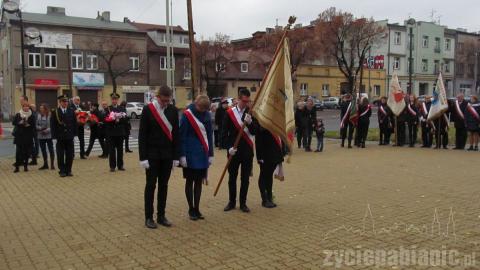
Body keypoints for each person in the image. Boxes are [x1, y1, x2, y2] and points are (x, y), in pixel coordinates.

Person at [139, 86, 180, 229]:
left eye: (168, 101)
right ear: (158, 97)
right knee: (151, 186)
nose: (166, 103)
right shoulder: (148, 110)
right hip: (151, 155)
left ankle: (161, 215)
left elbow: (176, 135)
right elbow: (142, 135)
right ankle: (149, 217)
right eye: (164, 100)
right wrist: (142, 157)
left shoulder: (173, 111)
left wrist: (176, 157)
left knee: (164, 186)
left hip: (167, 155)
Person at [221, 88, 257, 213]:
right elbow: (223, 134)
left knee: (245, 178)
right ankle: (231, 202)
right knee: (232, 177)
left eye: (248, 101)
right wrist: (228, 147)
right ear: (238, 99)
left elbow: (256, 131)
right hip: (234, 150)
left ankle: (243, 203)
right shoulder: (229, 113)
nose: (246, 103)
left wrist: (250, 123)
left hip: (247, 150)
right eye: (244, 101)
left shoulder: (251, 112)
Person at [179, 95, 214, 220]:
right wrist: (182, 155)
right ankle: (191, 209)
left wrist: (211, 154)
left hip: (202, 153)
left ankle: (197, 209)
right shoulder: (187, 115)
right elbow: (181, 136)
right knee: (190, 181)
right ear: (196, 103)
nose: (201, 110)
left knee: (199, 182)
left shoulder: (207, 115)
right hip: (189, 153)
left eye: (204, 109)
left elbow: (210, 135)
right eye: (200, 108)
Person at [256, 126, 285, 208]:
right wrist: (259, 156)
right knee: (263, 175)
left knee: (269, 175)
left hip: (274, 150)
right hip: (264, 151)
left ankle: (269, 197)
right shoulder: (260, 116)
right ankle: (264, 199)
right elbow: (258, 135)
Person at [51, 94, 77, 177]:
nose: (65, 103)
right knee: (60, 154)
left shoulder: (71, 111)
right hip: (60, 137)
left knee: (70, 154)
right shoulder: (55, 112)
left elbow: (74, 123)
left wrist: (75, 135)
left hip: (69, 136)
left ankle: (68, 170)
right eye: (63, 101)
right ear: (60, 102)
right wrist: (54, 137)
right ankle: (62, 170)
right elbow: (53, 125)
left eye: (66, 101)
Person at [105, 93, 128, 172]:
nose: (114, 100)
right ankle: (112, 166)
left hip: (120, 132)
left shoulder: (122, 108)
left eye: (115, 99)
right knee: (112, 150)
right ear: (111, 100)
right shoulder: (108, 109)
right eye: (113, 99)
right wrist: (113, 120)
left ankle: (120, 165)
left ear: (118, 100)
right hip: (111, 133)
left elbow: (125, 120)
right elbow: (106, 120)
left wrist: (119, 120)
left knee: (120, 150)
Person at [12, 103, 35, 172]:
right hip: (19, 136)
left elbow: (33, 124)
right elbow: (14, 122)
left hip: (28, 135)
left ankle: (25, 166)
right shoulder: (18, 114)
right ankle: (17, 167)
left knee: (26, 152)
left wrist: (28, 124)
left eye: (27, 107)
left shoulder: (31, 115)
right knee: (18, 152)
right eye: (25, 107)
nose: (26, 108)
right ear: (22, 107)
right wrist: (20, 122)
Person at [36, 104, 55, 170]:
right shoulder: (38, 116)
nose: (41, 109)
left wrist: (47, 130)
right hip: (41, 135)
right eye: (40, 108)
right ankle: (45, 164)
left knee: (51, 150)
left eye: (42, 108)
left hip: (48, 135)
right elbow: (36, 125)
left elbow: (52, 125)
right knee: (43, 150)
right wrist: (39, 128)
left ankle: (52, 165)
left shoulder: (50, 115)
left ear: (45, 109)